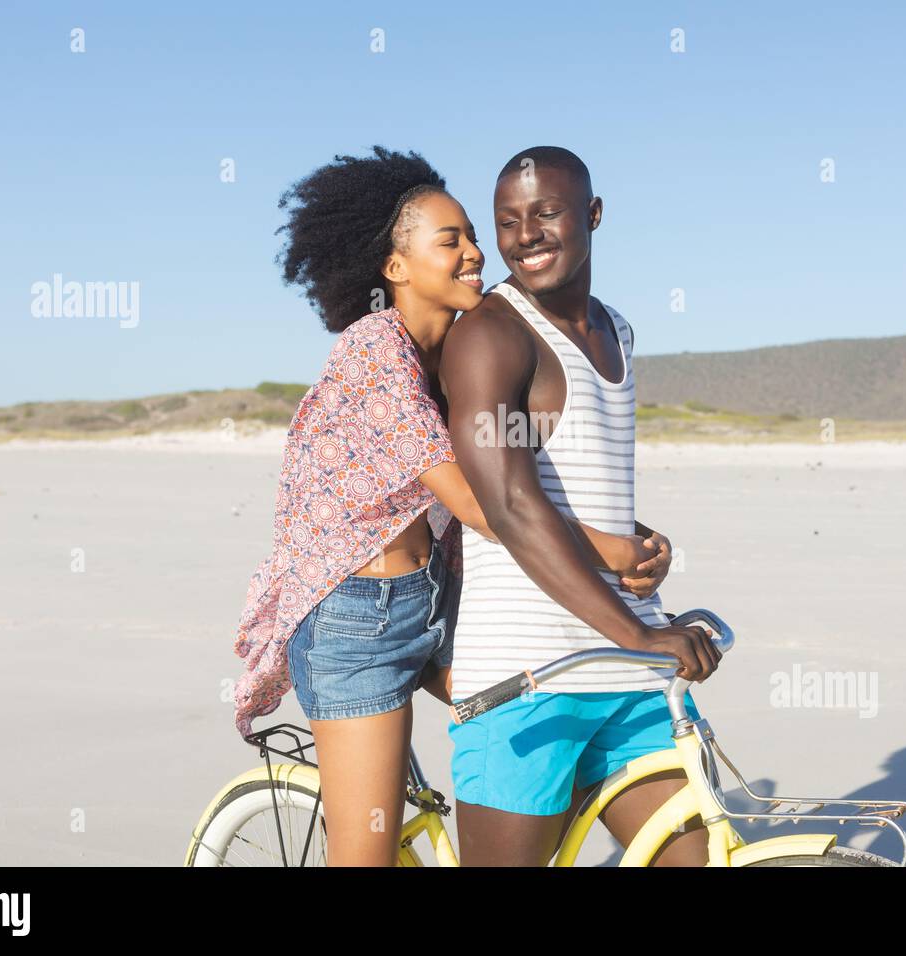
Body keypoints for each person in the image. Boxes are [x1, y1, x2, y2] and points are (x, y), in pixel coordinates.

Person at [231, 146, 667, 866]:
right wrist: (612, 551)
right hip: (356, 625)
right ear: (395, 268)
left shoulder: (450, 351)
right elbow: (479, 501)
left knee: (529, 725)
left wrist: (631, 532)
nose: (474, 254)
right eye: (451, 241)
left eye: (471, 236)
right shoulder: (375, 350)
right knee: (363, 853)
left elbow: (524, 474)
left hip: (434, 604)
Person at [439, 146, 722, 866]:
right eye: (508, 222)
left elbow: (577, 481)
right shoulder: (489, 335)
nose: (526, 234)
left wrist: (639, 543)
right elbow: (508, 503)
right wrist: (638, 632)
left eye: (547, 213)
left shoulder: (618, 331)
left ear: (593, 215)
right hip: (529, 683)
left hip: (629, 678)